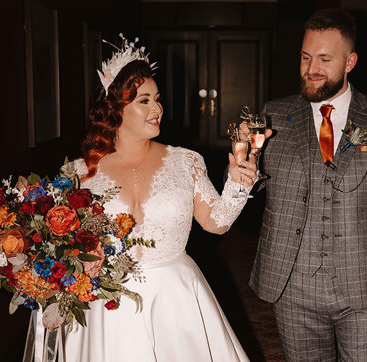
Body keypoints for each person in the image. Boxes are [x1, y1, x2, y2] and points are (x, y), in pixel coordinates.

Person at [61, 36, 256, 361]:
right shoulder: (79, 172)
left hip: (175, 300)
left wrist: (238, 184)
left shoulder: (185, 161)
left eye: (158, 99)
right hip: (108, 304)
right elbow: (63, 243)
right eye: (145, 101)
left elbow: (215, 224)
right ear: (116, 108)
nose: (158, 109)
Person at [244, 8, 367, 361]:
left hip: (366, 285)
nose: (312, 69)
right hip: (292, 285)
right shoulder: (275, 115)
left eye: (325, 59)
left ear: (350, 62)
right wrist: (239, 170)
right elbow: (244, 186)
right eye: (306, 57)